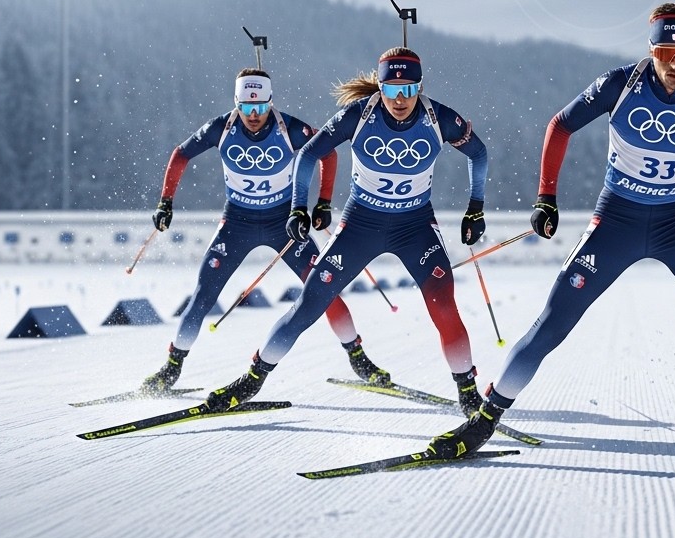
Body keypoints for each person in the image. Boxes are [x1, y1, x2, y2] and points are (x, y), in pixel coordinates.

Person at [423, 1, 675, 461]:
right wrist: (545, 197)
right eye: (666, 51)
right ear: (651, 49)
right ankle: (484, 421)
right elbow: (560, 125)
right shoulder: (619, 84)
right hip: (617, 222)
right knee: (553, 321)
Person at [203, 47, 491, 415]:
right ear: (380, 88)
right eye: (390, 89)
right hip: (360, 226)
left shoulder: (440, 118)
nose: (399, 99)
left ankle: (467, 392)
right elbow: (308, 154)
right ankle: (251, 379)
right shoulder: (360, 114)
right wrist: (299, 208)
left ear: (421, 86)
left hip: (415, 227)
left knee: (443, 306)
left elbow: (479, 154)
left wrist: (476, 208)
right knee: (310, 303)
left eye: (408, 88)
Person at [141, 68, 377, 391]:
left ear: (270, 102)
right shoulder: (221, 128)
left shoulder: (288, 127)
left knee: (323, 290)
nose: (254, 116)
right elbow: (180, 155)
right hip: (237, 223)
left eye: (262, 107)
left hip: (285, 226)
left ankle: (359, 358)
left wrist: (322, 202)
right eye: (247, 108)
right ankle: (171, 368)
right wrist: (165, 202)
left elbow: (328, 154)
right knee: (202, 296)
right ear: (236, 103)